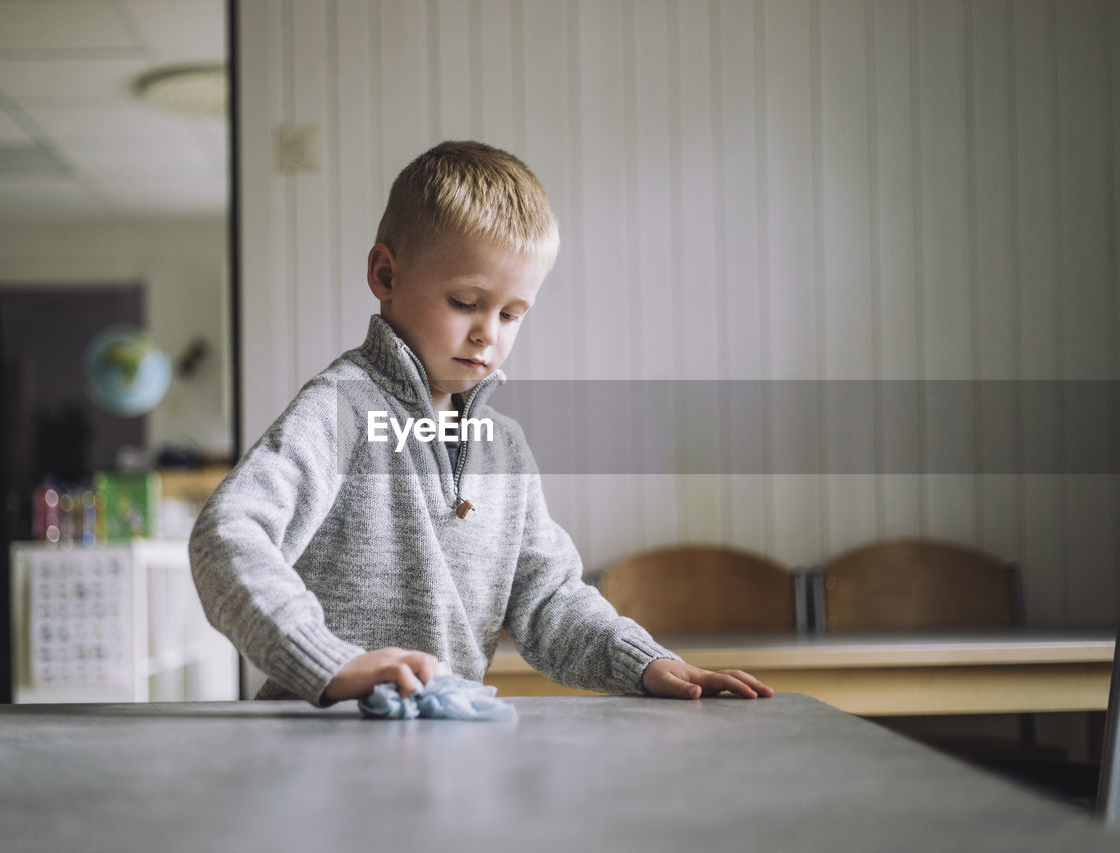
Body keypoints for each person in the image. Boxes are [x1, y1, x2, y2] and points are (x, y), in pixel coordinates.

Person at [190, 140, 773, 706]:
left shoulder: (504, 448)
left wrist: (646, 663)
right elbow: (228, 536)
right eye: (466, 302)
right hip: (314, 752)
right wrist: (326, 658)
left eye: (512, 313)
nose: (487, 334)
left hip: (441, 745)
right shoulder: (339, 409)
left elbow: (549, 598)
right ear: (386, 275)